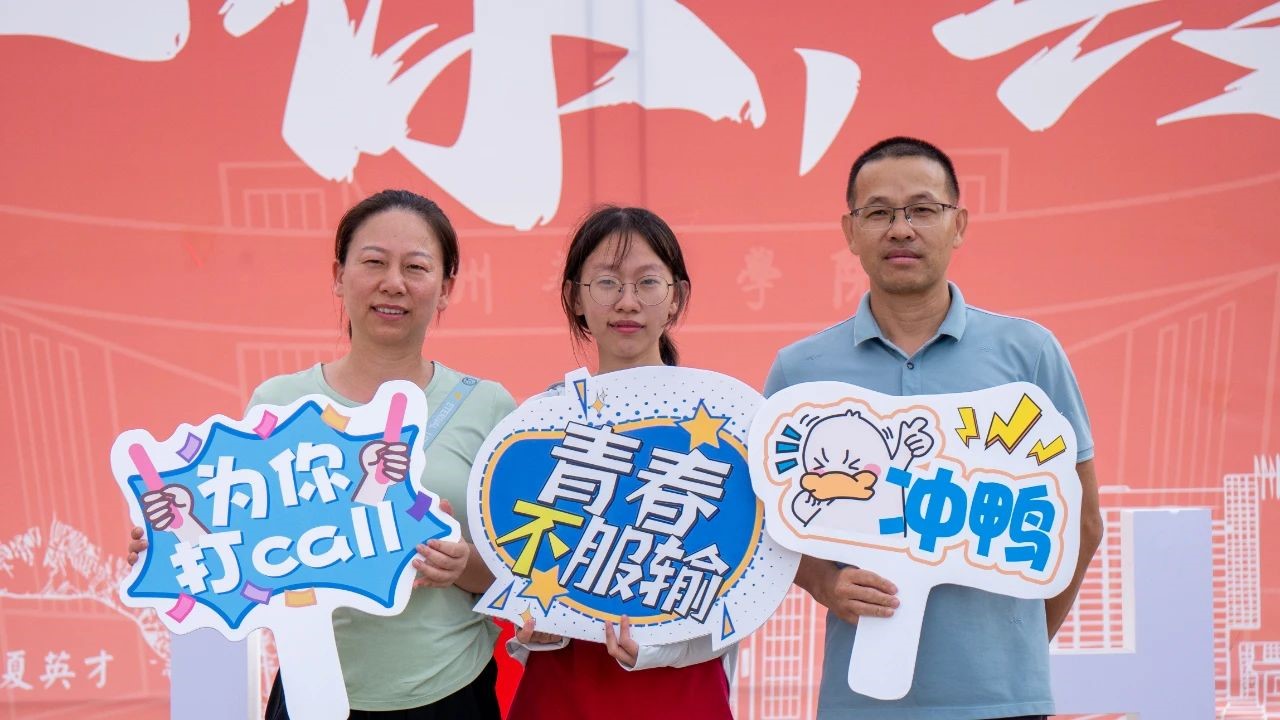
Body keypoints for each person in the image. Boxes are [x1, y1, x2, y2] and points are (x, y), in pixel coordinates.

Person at [127, 189, 516, 719]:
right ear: (339, 275)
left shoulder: (487, 406)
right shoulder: (280, 403)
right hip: (312, 691)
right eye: (373, 262)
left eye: (416, 267)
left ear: (445, 288)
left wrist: (461, 563)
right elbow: (235, 545)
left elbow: (523, 577)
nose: (393, 283)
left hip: (449, 692)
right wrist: (168, 543)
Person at [765, 137, 1103, 720]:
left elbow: (1084, 522)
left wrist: (1019, 647)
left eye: (923, 209)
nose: (901, 229)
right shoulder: (802, 371)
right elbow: (764, 524)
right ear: (851, 232)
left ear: (958, 224)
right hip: (861, 702)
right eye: (879, 213)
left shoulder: (1027, 353)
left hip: (1004, 702)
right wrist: (823, 583)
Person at [503, 205, 735, 720]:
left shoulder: (724, 425)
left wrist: (654, 647)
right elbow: (523, 568)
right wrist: (536, 628)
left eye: (647, 282)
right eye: (607, 282)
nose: (627, 302)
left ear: (676, 297)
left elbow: (738, 596)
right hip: (562, 693)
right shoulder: (541, 423)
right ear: (575, 297)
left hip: (682, 695)